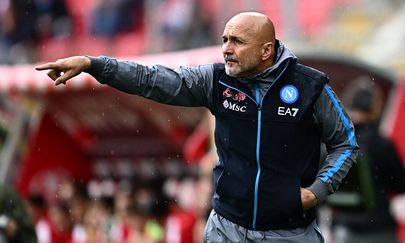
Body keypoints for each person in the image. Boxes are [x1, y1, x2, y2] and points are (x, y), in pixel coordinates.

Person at [36, 12, 358, 243]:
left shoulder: (310, 87)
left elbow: (345, 143)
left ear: (266, 50)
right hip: (226, 228)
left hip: (289, 233)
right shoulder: (215, 80)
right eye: (224, 39)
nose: (226, 48)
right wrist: (96, 65)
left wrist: (316, 192)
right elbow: (150, 80)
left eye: (237, 41)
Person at [326, 77, 405, 243]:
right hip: (378, 230)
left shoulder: (331, 140)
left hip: (342, 228)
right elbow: (402, 185)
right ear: (374, 107)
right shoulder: (381, 144)